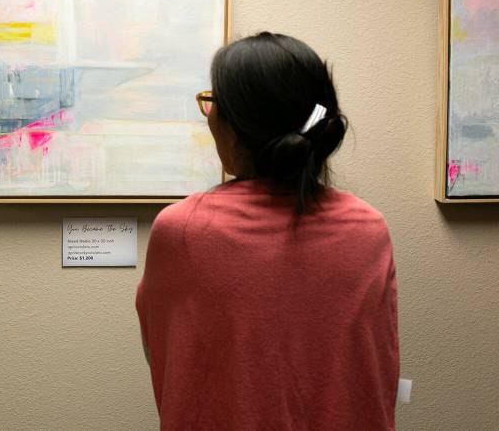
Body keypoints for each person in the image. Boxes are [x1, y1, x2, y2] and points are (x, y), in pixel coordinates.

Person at [136, 32, 399, 430]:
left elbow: (161, 353)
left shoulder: (182, 230)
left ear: (234, 125)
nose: (209, 116)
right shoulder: (369, 228)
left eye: (213, 103)